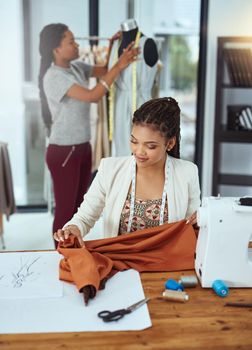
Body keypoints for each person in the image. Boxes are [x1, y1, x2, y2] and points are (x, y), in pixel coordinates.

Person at [38, 23, 139, 245]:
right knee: (65, 212)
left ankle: (72, 253)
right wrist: (120, 65)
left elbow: (103, 70)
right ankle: (61, 256)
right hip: (64, 150)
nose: (76, 45)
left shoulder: (75, 67)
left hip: (82, 146)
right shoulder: (53, 77)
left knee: (77, 211)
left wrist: (112, 45)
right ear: (56, 49)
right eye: (71, 42)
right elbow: (94, 94)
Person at [54, 97, 201, 247]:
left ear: (170, 143)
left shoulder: (187, 173)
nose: (139, 151)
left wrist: (203, 221)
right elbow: (85, 217)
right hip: (118, 262)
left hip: (164, 263)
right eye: (134, 141)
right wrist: (73, 228)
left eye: (150, 146)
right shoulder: (109, 169)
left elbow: (192, 228)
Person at [108, 18, 159, 156]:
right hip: (119, 106)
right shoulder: (115, 45)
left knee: (142, 154)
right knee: (122, 155)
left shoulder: (147, 44)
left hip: (141, 105)